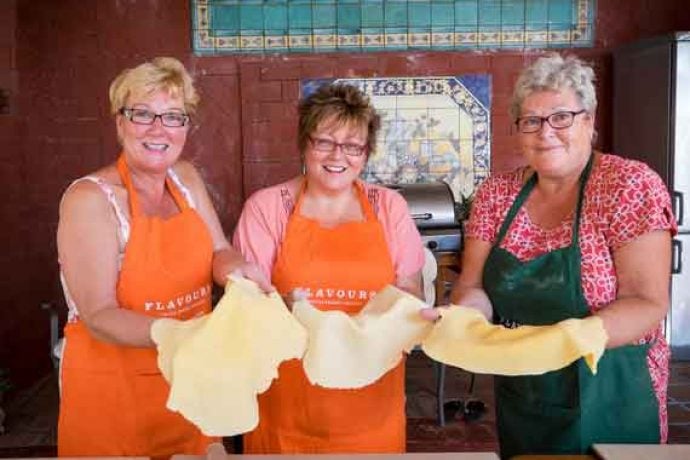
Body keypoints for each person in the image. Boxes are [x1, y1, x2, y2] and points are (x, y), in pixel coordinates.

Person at [424, 53, 676, 458]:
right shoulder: (496, 194)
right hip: (527, 387)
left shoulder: (628, 185)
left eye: (561, 117)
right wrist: (462, 319)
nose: (546, 133)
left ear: (589, 120)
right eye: (531, 121)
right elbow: (473, 286)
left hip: (612, 386)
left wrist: (567, 338)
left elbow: (647, 302)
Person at [56, 57, 270, 458]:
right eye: (142, 114)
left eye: (174, 117)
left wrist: (238, 272)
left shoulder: (185, 179)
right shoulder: (89, 200)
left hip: (190, 387)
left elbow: (219, 252)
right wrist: (187, 335)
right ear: (120, 122)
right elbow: (100, 314)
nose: (159, 130)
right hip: (114, 397)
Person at [233, 82, 425, 453]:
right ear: (305, 142)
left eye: (353, 146)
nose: (338, 156)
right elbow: (246, 305)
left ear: (366, 153)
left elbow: (410, 293)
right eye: (325, 141)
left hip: (372, 406)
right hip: (287, 409)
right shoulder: (267, 207)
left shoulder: (389, 207)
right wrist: (282, 306)